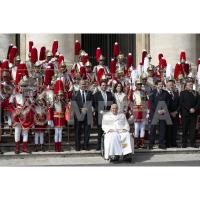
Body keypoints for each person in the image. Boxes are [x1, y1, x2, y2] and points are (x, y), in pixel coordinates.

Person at [149, 80, 171, 149]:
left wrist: (164, 109)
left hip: (163, 112)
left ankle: (161, 143)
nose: (160, 85)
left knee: (162, 128)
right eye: (159, 84)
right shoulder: (152, 92)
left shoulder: (166, 93)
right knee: (153, 128)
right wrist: (157, 110)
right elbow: (151, 103)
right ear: (156, 85)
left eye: (161, 84)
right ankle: (151, 144)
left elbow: (168, 102)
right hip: (154, 111)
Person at [72, 79, 94, 151]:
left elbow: (92, 102)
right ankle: (78, 147)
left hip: (88, 115)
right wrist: (81, 109)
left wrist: (88, 108)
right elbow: (74, 104)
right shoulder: (75, 93)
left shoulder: (89, 93)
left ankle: (86, 146)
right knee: (78, 131)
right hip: (78, 115)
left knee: (87, 131)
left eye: (84, 84)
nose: (83, 86)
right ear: (79, 85)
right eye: (82, 84)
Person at [93, 80, 116, 150]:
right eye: (102, 85)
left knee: (107, 131)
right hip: (100, 115)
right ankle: (99, 146)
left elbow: (113, 103)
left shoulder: (109, 94)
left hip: (108, 115)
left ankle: (107, 146)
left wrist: (110, 111)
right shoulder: (96, 94)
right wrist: (99, 111)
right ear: (100, 86)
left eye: (105, 85)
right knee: (100, 131)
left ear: (107, 86)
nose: (104, 86)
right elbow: (94, 104)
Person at [179, 80, 200, 148]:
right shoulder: (182, 93)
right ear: (186, 86)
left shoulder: (196, 93)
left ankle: (193, 143)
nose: (191, 86)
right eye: (189, 85)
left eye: (191, 84)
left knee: (193, 129)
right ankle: (184, 143)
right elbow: (182, 103)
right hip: (185, 114)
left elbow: (198, 103)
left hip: (194, 114)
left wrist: (194, 109)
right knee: (185, 129)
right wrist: (189, 109)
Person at [130, 78, 148, 149]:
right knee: (137, 128)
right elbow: (130, 102)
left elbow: (147, 102)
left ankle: (142, 143)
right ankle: (136, 143)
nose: (139, 85)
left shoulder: (144, 92)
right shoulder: (133, 92)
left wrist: (147, 110)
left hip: (143, 111)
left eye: (140, 84)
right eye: (138, 84)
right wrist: (131, 111)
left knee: (142, 128)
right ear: (136, 85)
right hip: (136, 111)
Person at [165, 79, 179, 147]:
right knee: (168, 129)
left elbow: (179, 104)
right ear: (166, 85)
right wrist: (170, 112)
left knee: (174, 129)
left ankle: (174, 142)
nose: (171, 86)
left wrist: (176, 112)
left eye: (172, 85)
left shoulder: (176, 93)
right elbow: (165, 104)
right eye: (170, 85)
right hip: (168, 114)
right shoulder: (164, 93)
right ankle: (168, 143)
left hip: (175, 114)